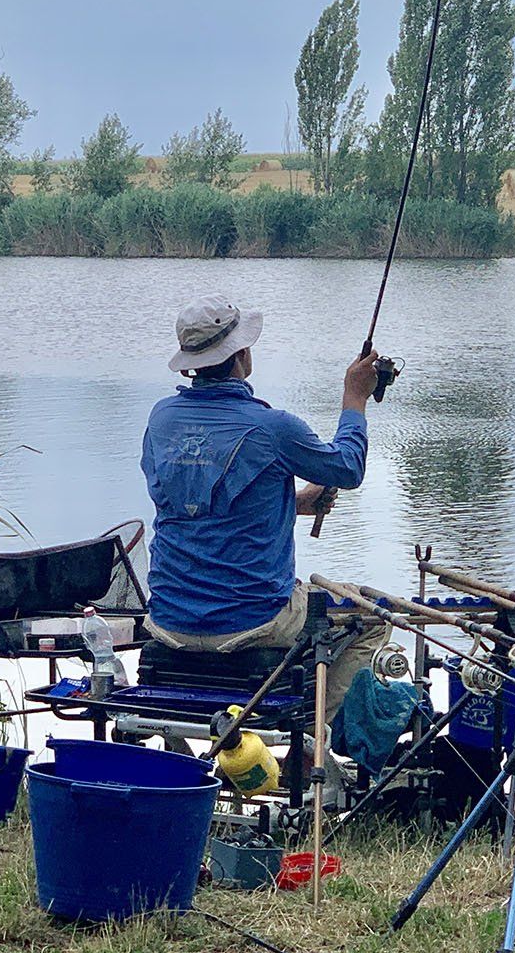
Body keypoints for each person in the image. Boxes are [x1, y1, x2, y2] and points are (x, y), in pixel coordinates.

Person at [140, 295, 387, 700]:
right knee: (372, 614)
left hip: (169, 615)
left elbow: (194, 505)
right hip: (255, 619)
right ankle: (316, 740)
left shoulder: (160, 419)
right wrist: (354, 397)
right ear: (241, 354)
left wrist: (295, 503)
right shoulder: (272, 427)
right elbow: (347, 468)